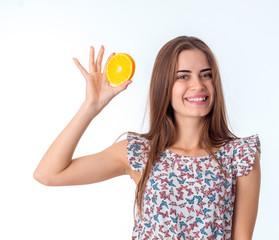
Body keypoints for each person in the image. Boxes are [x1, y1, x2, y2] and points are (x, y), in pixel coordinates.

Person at [33, 36, 261, 240]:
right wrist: (90, 107)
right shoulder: (139, 153)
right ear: (164, 85)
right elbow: (48, 174)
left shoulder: (240, 156)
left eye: (206, 75)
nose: (198, 85)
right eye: (183, 76)